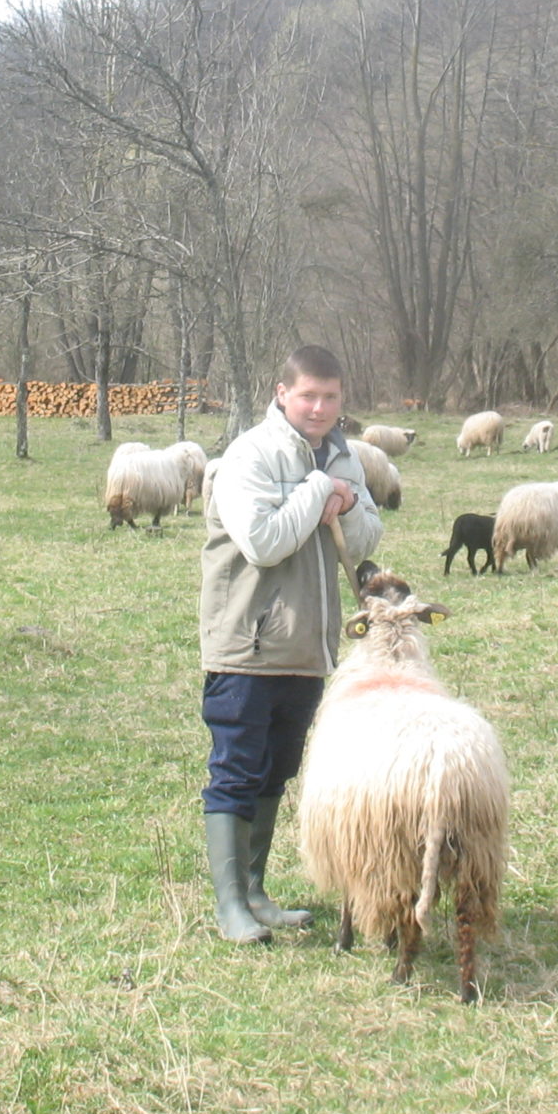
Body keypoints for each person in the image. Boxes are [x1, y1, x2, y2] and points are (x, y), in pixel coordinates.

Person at [196, 344, 382, 944]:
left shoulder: (344, 456)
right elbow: (263, 542)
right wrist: (319, 489)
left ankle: (255, 891)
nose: (320, 408)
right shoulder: (249, 456)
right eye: (308, 396)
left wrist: (346, 503)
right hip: (248, 644)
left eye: (330, 397)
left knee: (277, 768)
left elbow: (367, 536)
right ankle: (230, 905)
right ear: (282, 394)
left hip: (307, 647)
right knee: (236, 768)